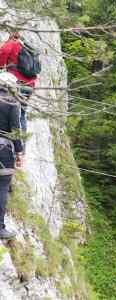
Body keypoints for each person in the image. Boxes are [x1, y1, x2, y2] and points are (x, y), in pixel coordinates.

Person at [0, 72, 24, 240]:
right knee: (2, 187)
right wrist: (19, 152)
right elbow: (15, 131)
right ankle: (0, 228)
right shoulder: (12, 102)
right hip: (3, 150)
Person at [0, 31, 38, 132]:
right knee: (22, 114)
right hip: (30, 86)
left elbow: (3, 51)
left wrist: (1, 65)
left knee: (10, 112)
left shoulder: (12, 43)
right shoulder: (28, 47)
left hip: (16, 83)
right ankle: (22, 143)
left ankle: (7, 143)